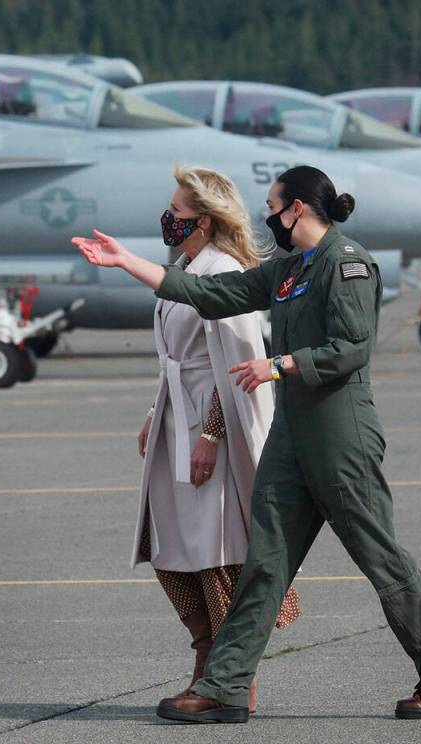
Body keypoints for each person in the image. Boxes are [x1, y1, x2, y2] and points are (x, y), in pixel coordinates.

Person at [73, 165, 421, 724]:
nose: (267, 217)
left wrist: (279, 365)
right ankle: (225, 685)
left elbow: (352, 347)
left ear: (297, 209)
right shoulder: (289, 269)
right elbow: (211, 294)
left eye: (272, 207)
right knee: (265, 564)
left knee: (380, 557)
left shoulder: (347, 263)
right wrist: (127, 262)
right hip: (291, 436)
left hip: (339, 436)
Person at [111, 165, 300, 715]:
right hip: (177, 418)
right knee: (171, 547)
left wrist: (212, 434)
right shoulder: (185, 266)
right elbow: (175, 359)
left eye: (177, 212)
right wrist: (156, 411)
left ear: (204, 220)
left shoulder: (225, 270)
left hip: (211, 428)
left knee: (217, 548)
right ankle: (205, 662)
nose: (167, 219)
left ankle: (231, 681)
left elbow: (236, 364)